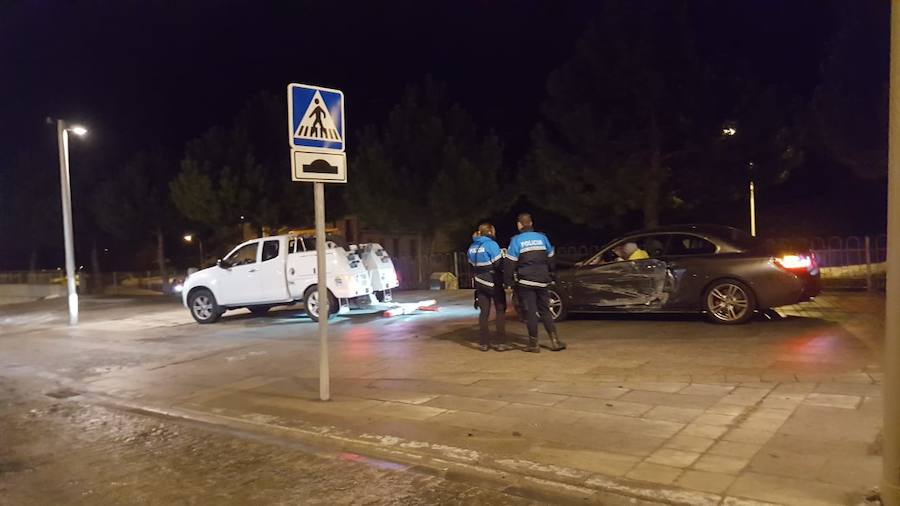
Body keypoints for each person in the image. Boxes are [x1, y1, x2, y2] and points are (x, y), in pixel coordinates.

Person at [505, 213, 566, 352]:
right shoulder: (542, 237)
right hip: (542, 280)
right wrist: (550, 273)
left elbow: (510, 263)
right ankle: (555, 341)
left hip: (526, 281)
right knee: (545, 310)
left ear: (519, 225)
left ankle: (534, 344)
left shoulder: (516, 240)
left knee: (531, 312)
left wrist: (508, 281)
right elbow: (551, 257)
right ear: (531, 223)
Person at [467, 223, 507, 351]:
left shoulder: (472, 247)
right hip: (493, 282)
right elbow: (498, 264)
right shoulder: (491, 244)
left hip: (479, 282)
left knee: (484, 313)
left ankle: (484, 343)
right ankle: (500, 342)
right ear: (490, 232)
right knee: (500, 310)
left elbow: (471, 265)